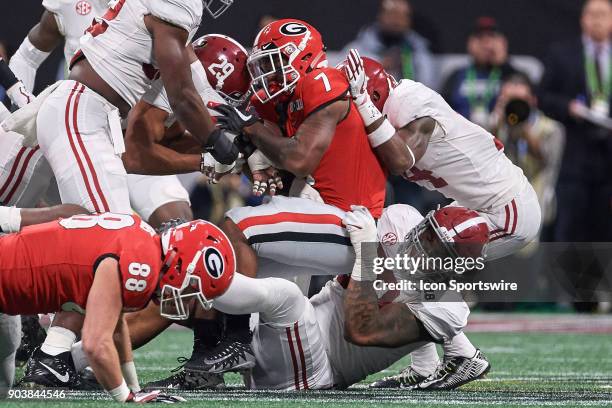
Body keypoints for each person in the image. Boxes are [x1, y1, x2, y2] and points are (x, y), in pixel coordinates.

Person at [196, 204, 490, 390]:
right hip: (287, 337)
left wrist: (365, 255)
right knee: (256, 266)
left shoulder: (445, 307)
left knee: (284, 295)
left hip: (315, 370)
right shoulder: (401, 219)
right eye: (427, 231)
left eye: (435, 247)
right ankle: (189, 284)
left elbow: (360, 330)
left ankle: (200, 280)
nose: (420, 244)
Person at [31, 0, 238, 219]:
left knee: (119, 227)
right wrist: (219, 147)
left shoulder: (173, 28)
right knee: (110, 226)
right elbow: (183, 99)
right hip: (82, 112)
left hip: (97, 119)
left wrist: (239, 147)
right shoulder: (177, 8)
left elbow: (200, 89)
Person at [0, 213, 235, 402]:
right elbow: (95, 344)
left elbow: (116, 326)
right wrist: (126, 398)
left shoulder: (141, 240)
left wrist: (135, 387)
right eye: (191, 288)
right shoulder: (142, 263)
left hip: (8, 283)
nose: (185, 299)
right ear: (180, 263)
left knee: (4, 384)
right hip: (5, 284)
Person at [538, 0, 612, 247]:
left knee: (604, 228)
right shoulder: (562, 54)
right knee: (569, 228)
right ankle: (565, 285)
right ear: (582, 19)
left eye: (602, 14)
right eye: (591, 14)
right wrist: (568, 107)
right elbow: (543, 97)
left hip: (608, 158)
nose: (597, 20)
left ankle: (602, 284)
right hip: (574, 154)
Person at [491, 74, 565, 234]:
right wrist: (496, 122)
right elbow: (485, 157)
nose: (515, 106)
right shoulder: (496, 128)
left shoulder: (552, 129)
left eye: (521, 101)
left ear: (533, 101)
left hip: (536, 209)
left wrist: (523, 125)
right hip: (499, 208)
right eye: (510, 100)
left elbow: (546, 159)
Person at [441, 16, 521, 128]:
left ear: (502, 43)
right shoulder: (456, 75)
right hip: (460, 136)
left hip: (501, 135)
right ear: (470, 43)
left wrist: (503, 63)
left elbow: (522, 106)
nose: (486, 44)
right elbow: (440, 110)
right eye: (480, 38)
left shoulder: (511, 75)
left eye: (491, 37)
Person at [341, 0, 437, 89]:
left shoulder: (418, 50)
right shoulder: (355, 50)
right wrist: (377, 66)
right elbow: (340, 83)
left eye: (403, 16)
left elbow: (430, 87)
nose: (397, 21)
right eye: (392, 14)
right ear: (380, 16)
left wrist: (408, 65)